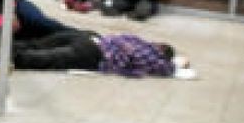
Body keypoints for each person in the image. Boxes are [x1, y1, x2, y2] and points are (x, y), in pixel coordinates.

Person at [11, 30, 182, 78]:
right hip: (94, 52)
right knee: (50, 56)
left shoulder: (140, 42)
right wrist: (179, 63)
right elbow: (167, 69)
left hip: (92, 39)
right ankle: (10, 55)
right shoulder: (152, 56)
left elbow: (121, 37)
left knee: (43, 45)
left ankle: (6, 47)